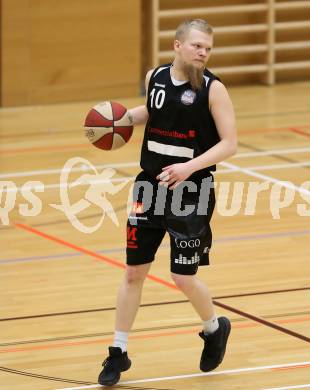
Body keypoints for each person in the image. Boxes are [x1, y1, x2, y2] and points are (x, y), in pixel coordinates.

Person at [98, 19, 237, 386]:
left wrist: (188, 168)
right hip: (149, 187)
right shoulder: (155, 77)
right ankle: (118, 351)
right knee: (133, 272)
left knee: (182, 275)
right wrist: (120, 120)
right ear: (177, 46)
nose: (202, 52)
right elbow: (153, 112)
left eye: (207, 47)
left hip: (191, 191)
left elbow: (229, 143)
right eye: (196, 46)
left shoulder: (213, 89)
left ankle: (214, 328)